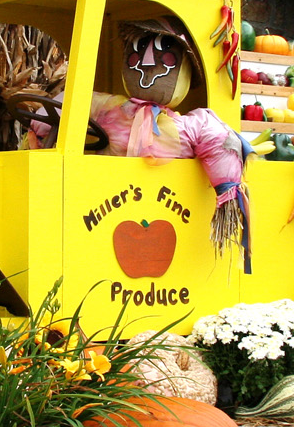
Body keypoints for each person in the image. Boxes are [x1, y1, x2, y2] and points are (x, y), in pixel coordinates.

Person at [25, 17, 252, 269]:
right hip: (99, 201)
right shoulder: (109, 107)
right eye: (136, 55)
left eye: (165, 59)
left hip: (165, 210)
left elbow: (220, 140)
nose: (146, 63)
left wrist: (227, 194)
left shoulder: (193, 124)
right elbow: (68, 103)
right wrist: (40, 132)